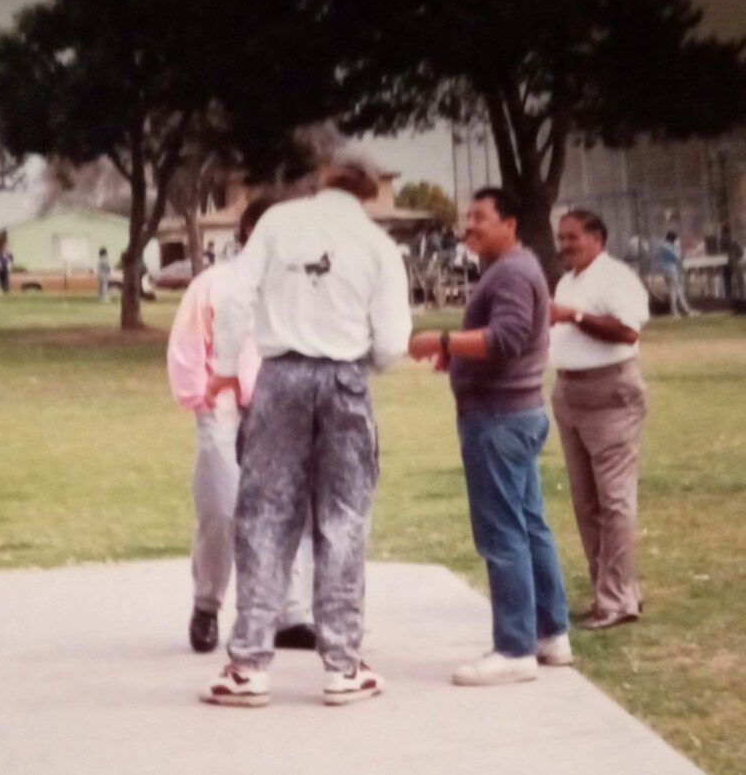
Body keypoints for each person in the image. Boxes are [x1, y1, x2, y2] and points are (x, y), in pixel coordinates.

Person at [199, 150, 411, 708]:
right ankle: (343, 665)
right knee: (343, 520)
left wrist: (226, 368)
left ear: (321, 178)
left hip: (280, 377)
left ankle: (248, 664)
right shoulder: (378, 246)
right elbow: (393, 343)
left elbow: (236, 298)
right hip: (344, 378)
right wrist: (357, 359)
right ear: (370, 190)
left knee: (266, 517)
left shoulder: (278, 223)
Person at [409, 187, 572, 686]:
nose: (469, 226)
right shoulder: (514, 269)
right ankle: (550, 633)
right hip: (514, 414)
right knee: (529, 525)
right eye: (468, 217)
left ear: (510, 223)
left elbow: (506, 340)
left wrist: (440, 340)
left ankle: (514, 649)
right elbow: (508, 342)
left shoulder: (511, 272)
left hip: (499, 420)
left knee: (502, 533)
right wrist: (458, 357)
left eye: (480, 217)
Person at [167, 198, 316, 655]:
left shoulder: (302, 289)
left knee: (290, 509)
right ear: (252, 230)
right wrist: (202, 399)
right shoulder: (214, 284)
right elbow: (187, 346)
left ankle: (289, 613)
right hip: (224, 409)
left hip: (282, 410)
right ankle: (207, 604)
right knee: (222, 508)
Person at [549, 209, 650, 630]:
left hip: (609, 391)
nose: (565, 245)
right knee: (585, 500)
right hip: (570, 391)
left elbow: (627, 332)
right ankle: (611, 589)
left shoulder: (616, 278)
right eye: (561, 237)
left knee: (614, 499)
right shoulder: (568, 281)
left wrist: (573, 316)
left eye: (572, 237)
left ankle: (617, 599)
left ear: (597, 238)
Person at [656, 231, 695, 317]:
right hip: (671, 270)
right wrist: (678, 248)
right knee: (674, 292)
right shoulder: (669, 247)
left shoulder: (663, 246)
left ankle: (686, 310)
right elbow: (677, 258)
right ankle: (674, 311)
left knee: (678, 291)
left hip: (666, 271)